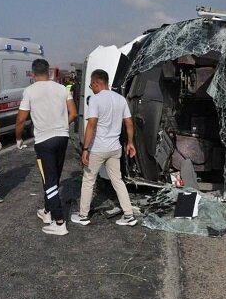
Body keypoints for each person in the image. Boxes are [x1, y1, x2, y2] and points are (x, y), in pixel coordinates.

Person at [15, 58, 77, 236]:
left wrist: (18, 138)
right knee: (54, 176)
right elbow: (73, 113)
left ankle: (59, 222)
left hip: (44, 140)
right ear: (48, 73)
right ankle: (48, 211)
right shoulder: (62, 88)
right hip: (62, 136)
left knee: (49, 180)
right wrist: (60, 126)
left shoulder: (29, 91)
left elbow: (20, 120)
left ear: (32, 74)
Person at [72, 69, 138, 227]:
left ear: (96, 83)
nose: (91, 88)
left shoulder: (95, 100)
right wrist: (130, 143)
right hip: (115, 148)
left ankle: (83, 215)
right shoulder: (120, 99)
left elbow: (92, 125)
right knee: (118, 180)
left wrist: (85, 149)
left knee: (88, 180)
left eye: (91, 85)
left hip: (98, 148)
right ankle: (129, 215)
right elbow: (129, 123)